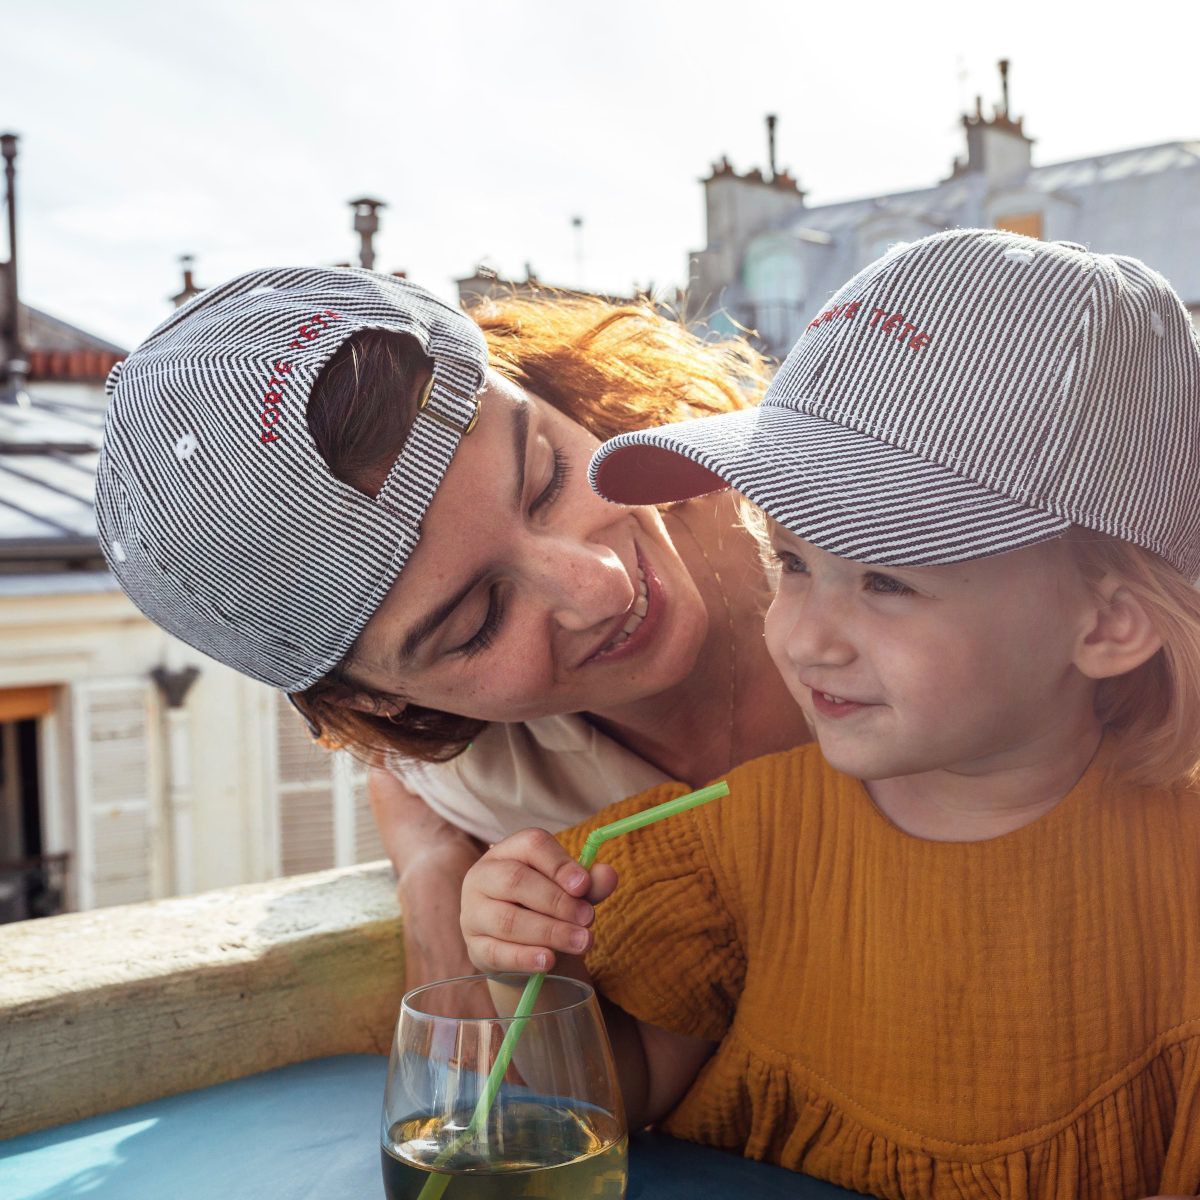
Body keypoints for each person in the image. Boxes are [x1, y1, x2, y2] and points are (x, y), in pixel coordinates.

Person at [460, 228, 1200, 1197]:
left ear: (1107, 624)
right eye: (794, 563)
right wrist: (528, 973)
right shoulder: (741, 838)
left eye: (886, 582)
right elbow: (620, 1101)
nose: (805, 638)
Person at [93, 267, 809, 984]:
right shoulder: (486, 765)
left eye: (547, 477)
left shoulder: (826, 499)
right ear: (378, 700)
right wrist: (431, 872)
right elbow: (401, 774)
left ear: (537, 384)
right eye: (477, 622)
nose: (600, 586)